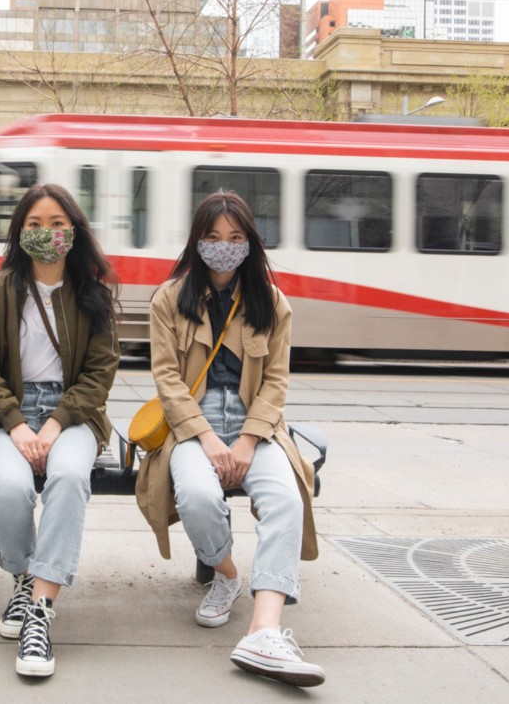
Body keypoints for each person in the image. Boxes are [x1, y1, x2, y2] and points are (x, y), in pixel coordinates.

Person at [135, 191, 324, 687]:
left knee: (287, 499)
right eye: (213, 238)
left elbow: (277, 383)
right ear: (197, 242)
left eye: (236, 238)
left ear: (250, 243)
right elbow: (167, 379)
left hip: (254, 426)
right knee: (196, 494)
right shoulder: (169, 299)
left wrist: (245, 441)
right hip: (191, 425)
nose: (224, 247)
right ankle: (226, 573)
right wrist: (206, 439)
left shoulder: (271, 302)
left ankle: (264, 631)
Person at [0, 183, 119, 677]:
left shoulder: (93, 295)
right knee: (8, 487)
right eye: (34, 224)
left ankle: (40, 610)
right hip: (7, 412)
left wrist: (53, 424)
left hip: (73, 415)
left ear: (73, 231)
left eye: (56, 224)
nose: (46, 233)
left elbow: (100, 373)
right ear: (18, 231)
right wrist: (14, 422)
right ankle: (25, 578)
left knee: (69, 477)